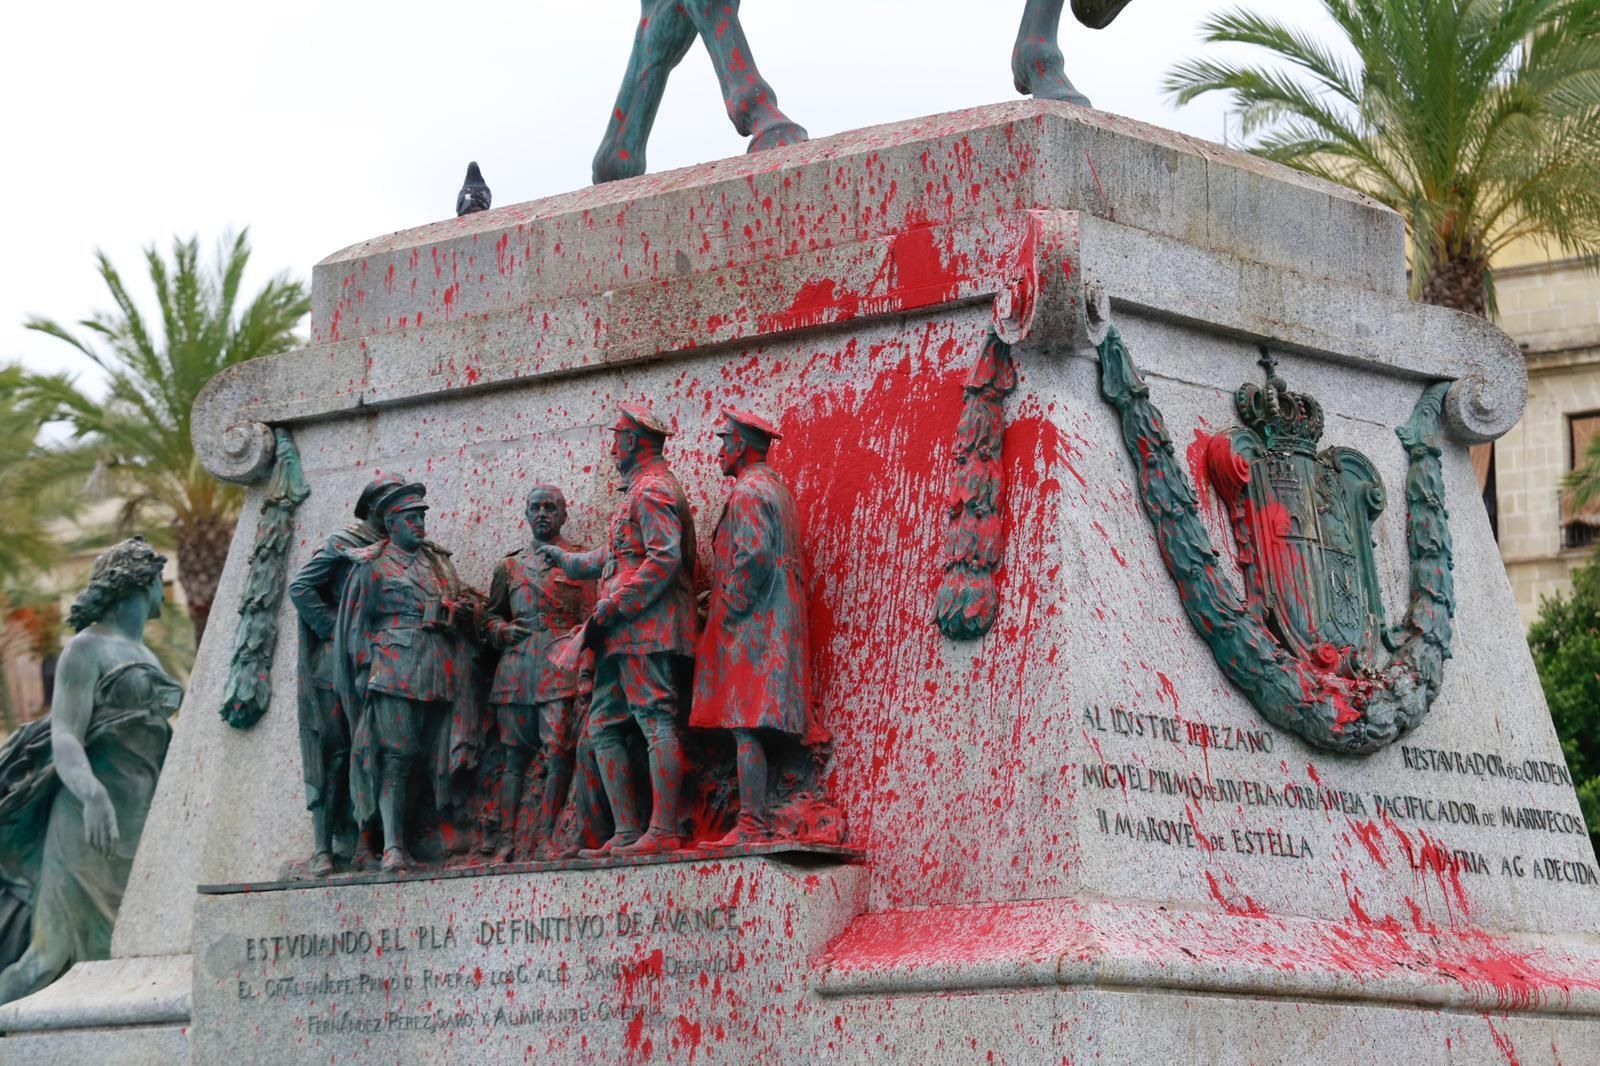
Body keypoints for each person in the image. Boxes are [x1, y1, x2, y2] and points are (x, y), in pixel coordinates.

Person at [0, 537, 181, 1006]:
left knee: (122, 952)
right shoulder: (86, 648)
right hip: (89, 820)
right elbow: (65, 735)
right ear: (139, 583)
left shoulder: (146, 655)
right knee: (49, 955)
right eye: (159, 581)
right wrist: (92, 795)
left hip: (136, 819)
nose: (163, 593)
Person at [540, 402, 698, 857]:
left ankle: (662, 830)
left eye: (616, 439)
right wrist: (565, 559)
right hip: (616, 632)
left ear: (631, 441)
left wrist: (617, 604)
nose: (611, 449)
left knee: (654, 718)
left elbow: (664, 558)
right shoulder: (636, 492)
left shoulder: (653, 490)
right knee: (603, 725)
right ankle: (627, 830)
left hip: (644, 628)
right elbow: (613, 557)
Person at [336, 482, 478, 872]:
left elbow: (459, 599)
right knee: (398, 756)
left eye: (421, 517)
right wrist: (364, 669)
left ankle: (415, 836)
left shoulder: (438, 563)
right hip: (393, 669)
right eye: (411, 518)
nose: (419, 524)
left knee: (426, 758)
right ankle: (393, 846)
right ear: (391, 524)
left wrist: (459, 610)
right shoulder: (372, 564)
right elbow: (357, 625)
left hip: (437, 668)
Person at [690, 408, 815, 847]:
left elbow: (754, 556)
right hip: (775, 620)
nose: (720, 451)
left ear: (740, 445)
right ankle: (755, 818)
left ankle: (752, 823)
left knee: (744, 721)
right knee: (753, 720)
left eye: (724, 441)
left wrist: (728, 607)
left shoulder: (748, 492)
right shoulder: (775, 489)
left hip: (755, 623)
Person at [288, 473, 406, 876]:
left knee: (371, 750)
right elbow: (301, 588)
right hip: (332, 666)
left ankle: (365, 844)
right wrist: (335, 629)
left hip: (375, 662)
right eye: (391, 500)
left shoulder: (400, 547)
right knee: (333, 752)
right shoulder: (346, 541)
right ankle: (323, 848)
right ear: (374, 507)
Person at [483, 485, 594, 861]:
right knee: (513, 758)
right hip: (516, 670)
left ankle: (547, 834)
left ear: (563, 515)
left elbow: (591, 616)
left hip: (559, 667)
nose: (543, 513)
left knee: (558, 750)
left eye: (551, 507)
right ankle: (506, 838)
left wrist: (586, 669)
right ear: (526, 514)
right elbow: (492, 615)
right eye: (536, 507)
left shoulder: (578, 560)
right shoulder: (509, 567)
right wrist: (501, 630)